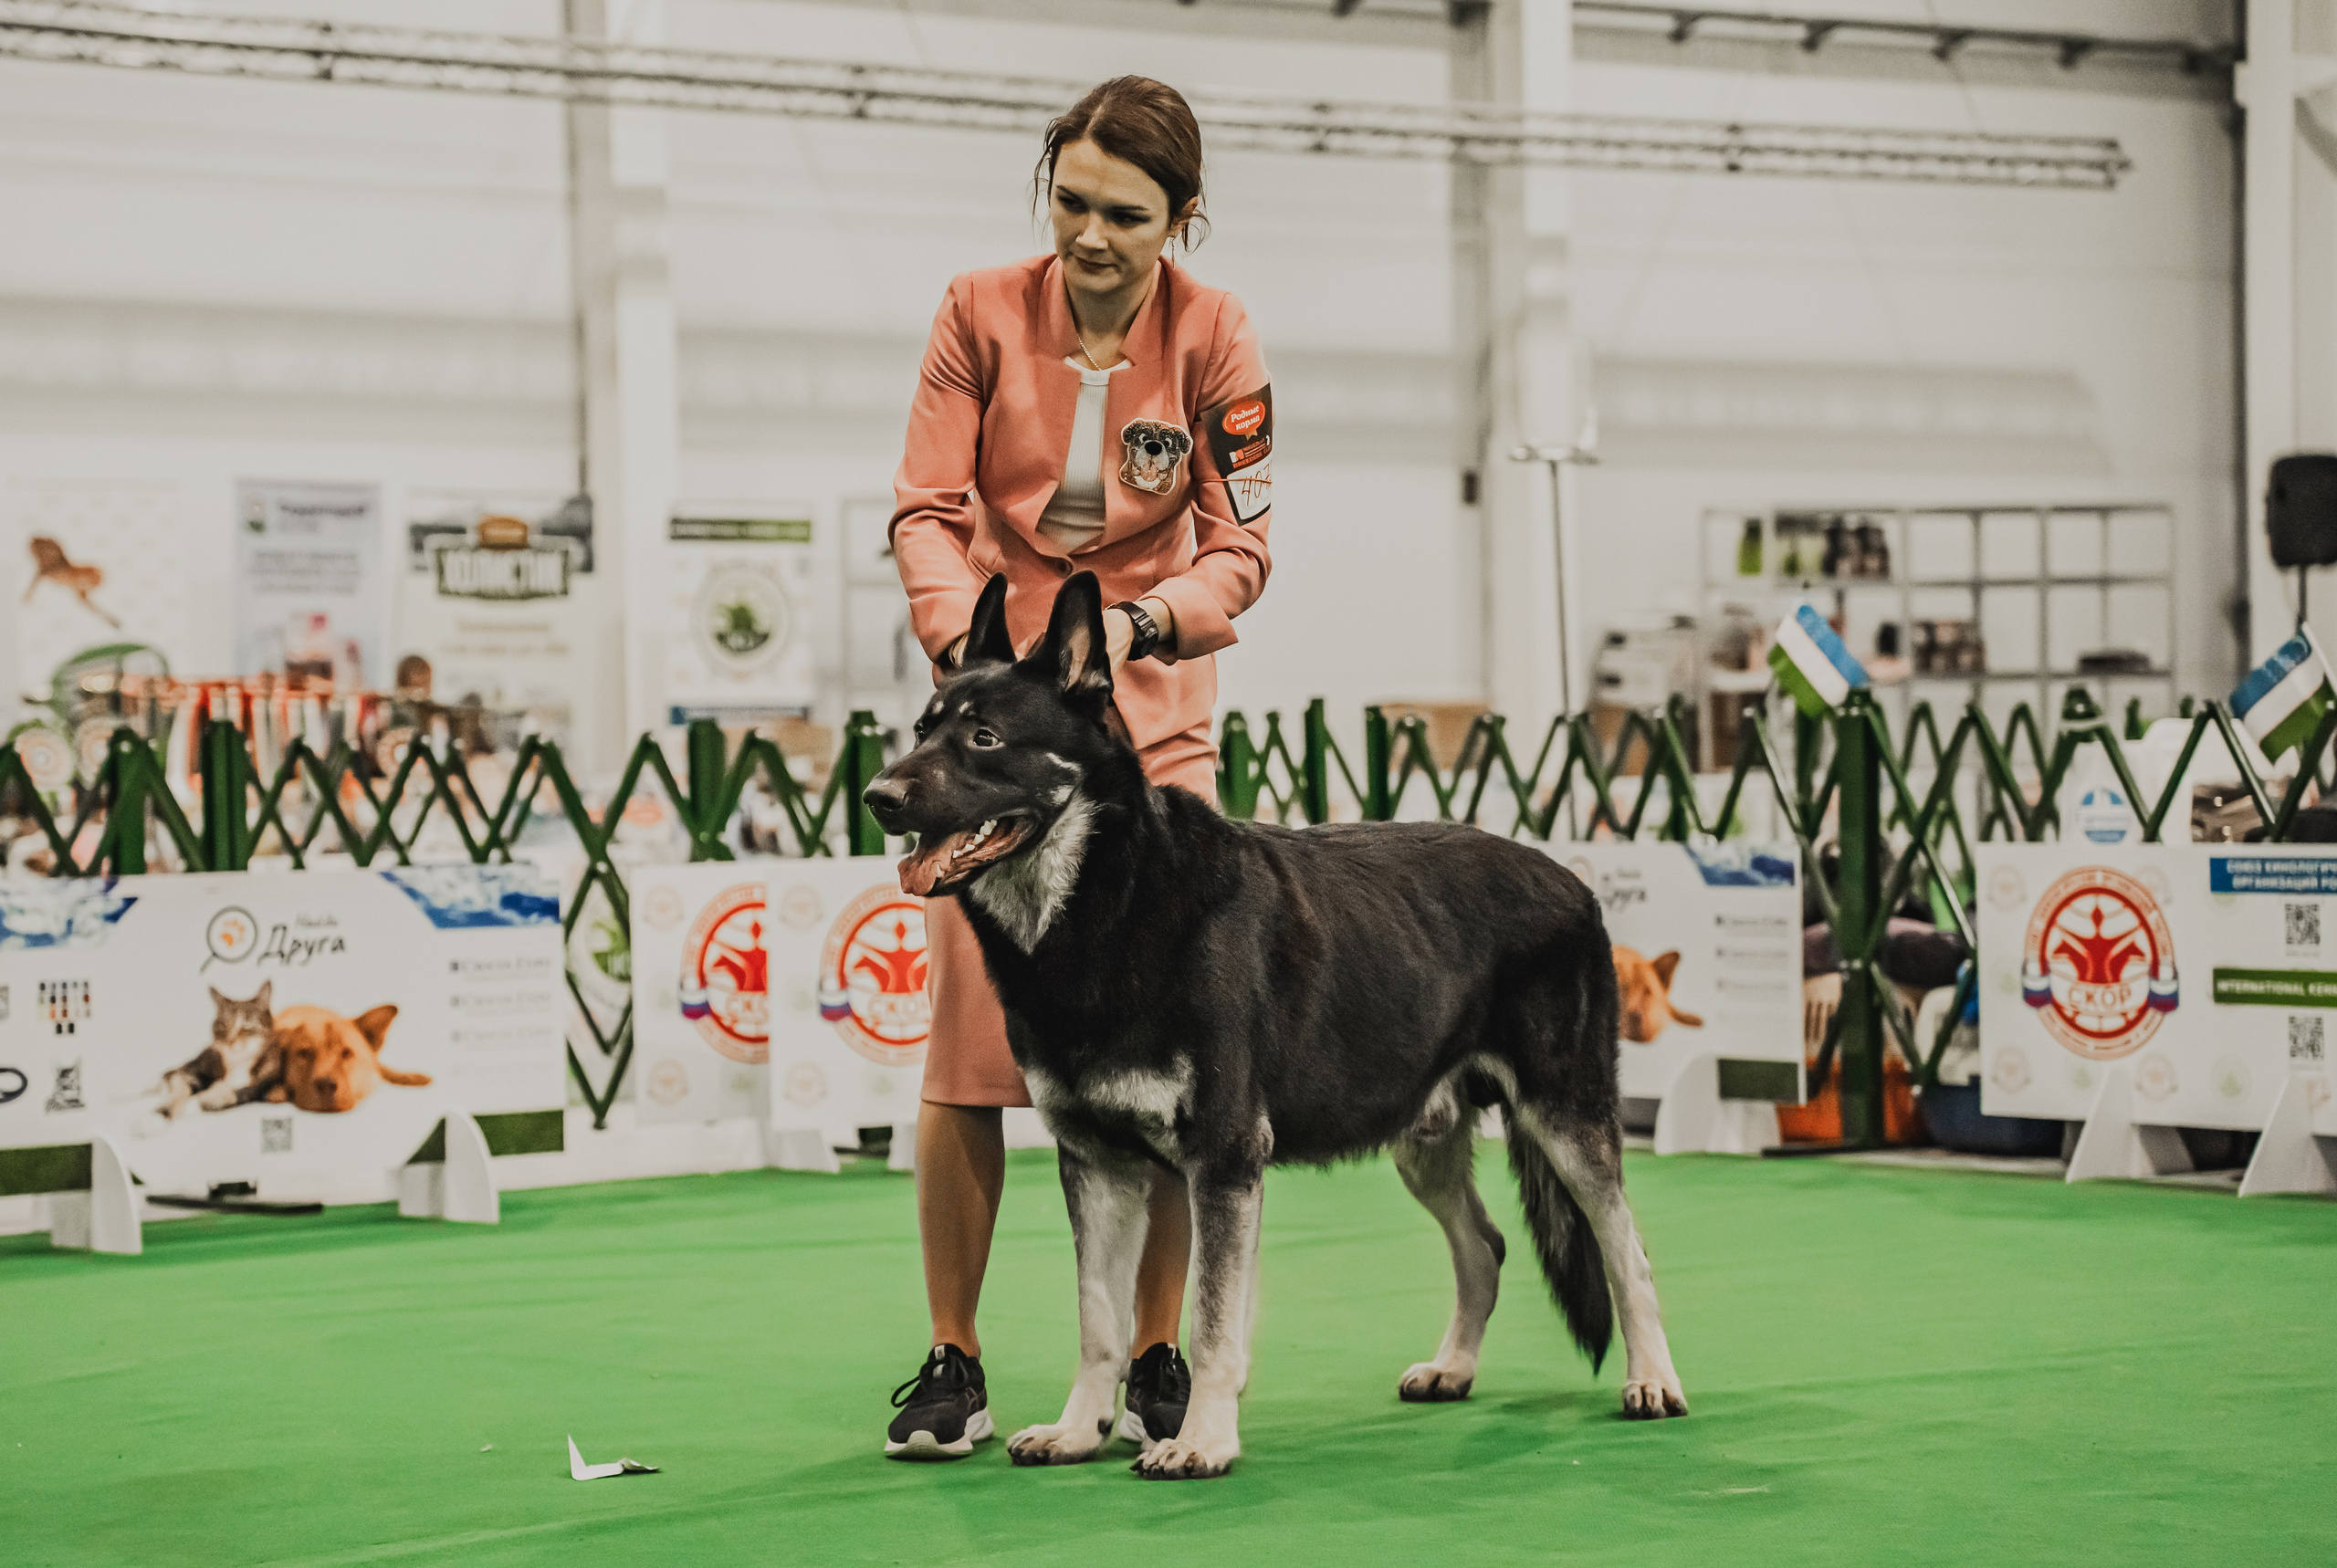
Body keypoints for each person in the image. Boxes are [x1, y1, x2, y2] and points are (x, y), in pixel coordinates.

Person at [882, 75, 1274, 1458]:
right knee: (974, 1051)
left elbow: (1243, 544)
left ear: (1181, 217)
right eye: (1071, 202)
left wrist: (1151, 619)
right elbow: (926, 507)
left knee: (1178, 1055)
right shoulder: (976, 310)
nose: (1091, 236)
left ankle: (1158, 1352)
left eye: (1126, 214)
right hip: (994, 720)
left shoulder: (1218, 336)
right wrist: (965, 650)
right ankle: (954, 1356)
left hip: (1150, 717)